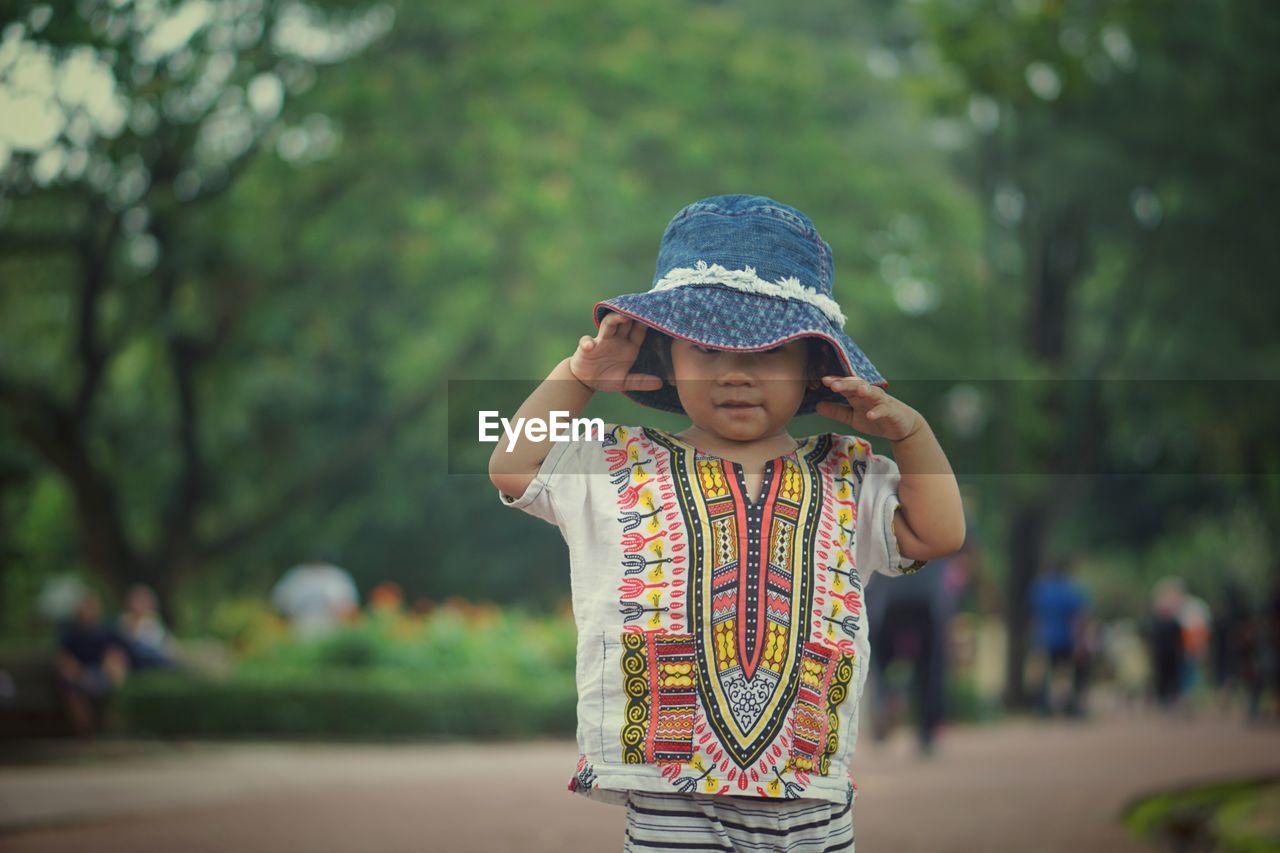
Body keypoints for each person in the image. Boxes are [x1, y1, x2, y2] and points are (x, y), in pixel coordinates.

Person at [490, 195, 965, 851]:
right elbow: (513, 464)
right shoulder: (620, 462)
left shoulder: (846, 473)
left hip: (812, 800)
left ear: (811, 367)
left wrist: (912, 433)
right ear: (666, 356)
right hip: (668, 795)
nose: (736, 373)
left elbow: (937, 533)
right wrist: (577, 376)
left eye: (769, 353)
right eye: (707, 349)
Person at [54, 590, 131, 736]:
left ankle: (112, 730)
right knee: (71, 691)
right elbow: (64, 659)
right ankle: (86, 732)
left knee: (112, 685)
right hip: (78, 676)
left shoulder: (107, 631)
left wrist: (108, 671)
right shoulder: (69, 633)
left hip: (101, 674)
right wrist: (82, 675)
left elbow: (115, 655)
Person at [1028, 558, 1091, 718]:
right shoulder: (1072, 589)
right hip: (1067, 639)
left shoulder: (1041, 589)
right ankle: (1073, 705)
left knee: (1046, 674)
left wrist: (1035, 639)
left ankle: (1044, 707)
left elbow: (1035, 616)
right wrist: (1080, 642)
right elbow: (1078, 618)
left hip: (1046, 638)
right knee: (1073, 673)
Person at [116, 583, 179, 670]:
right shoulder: (125, 620)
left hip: (154, 653)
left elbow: (163, 642)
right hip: (138, 655)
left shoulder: (152, 621)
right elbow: (130, 642)